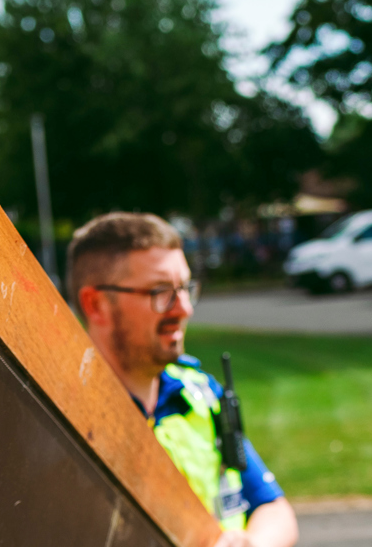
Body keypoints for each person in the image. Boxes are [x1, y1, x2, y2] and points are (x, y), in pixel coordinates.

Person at [67, 213, 299, 547]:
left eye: (186, 288)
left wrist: (252, 543)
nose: (184, 308)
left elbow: (273, 508)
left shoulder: (200, 391)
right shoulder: (61, 418)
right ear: (96, 304)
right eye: (160, 291)